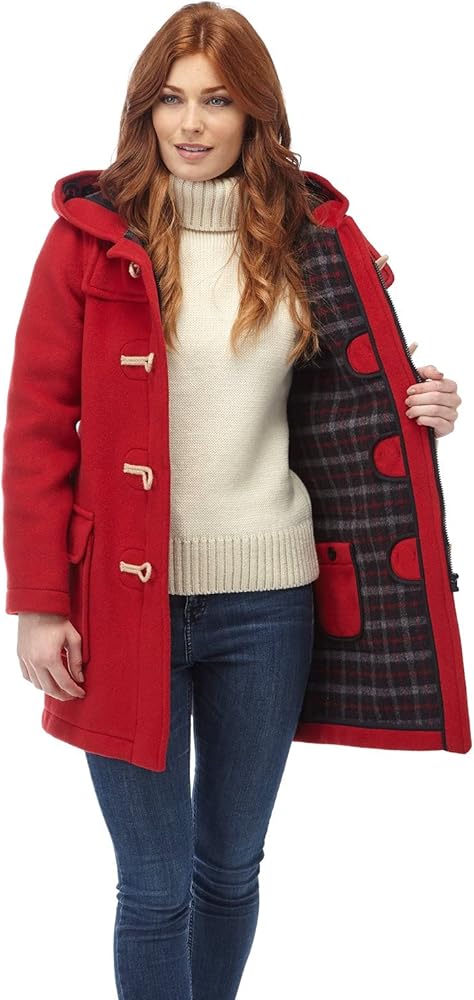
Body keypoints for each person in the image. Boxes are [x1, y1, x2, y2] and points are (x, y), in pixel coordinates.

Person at [1, 4, 467, 999]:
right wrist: (39, 601)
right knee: (154, 884)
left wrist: (428, 400)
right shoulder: (87, 244)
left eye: (216, 100)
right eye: (171, 100)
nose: (192, 123)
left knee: (229, 870)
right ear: (144, 111)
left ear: (255, 112)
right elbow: (36, 430)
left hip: (270, 605)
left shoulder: (311, 240)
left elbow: (361, 389)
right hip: (122, 603)